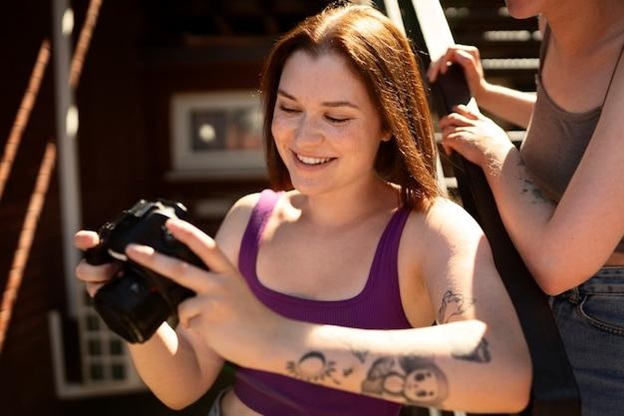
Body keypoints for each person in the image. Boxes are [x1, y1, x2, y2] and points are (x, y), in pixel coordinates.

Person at [75, 3, 531, 415]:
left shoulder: (430, 229)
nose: (304, 137)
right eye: (289, 108)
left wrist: (275, 339)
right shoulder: (250, 218)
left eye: (336, 117)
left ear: (388, 123)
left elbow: (503, 376)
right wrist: (135, 314)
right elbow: (185, 384)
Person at [427, 1, 624, 415]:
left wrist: (497, 152)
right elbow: (586, 124)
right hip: (554, 300)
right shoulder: (554, 15)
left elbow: (557, 264)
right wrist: (486, 94)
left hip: (606, 324)